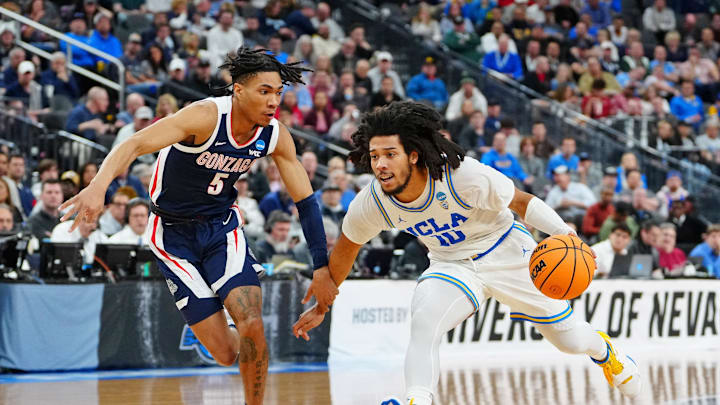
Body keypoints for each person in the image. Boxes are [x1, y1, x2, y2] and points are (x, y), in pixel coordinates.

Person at [291, 102, 641, 405]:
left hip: (506, 250)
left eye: (390, 155)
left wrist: (564, 233)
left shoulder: (462, 175)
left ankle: (604, 351)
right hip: (452, 263)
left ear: (413, 154)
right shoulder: (373, 202)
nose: (380, 165)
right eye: (375, 156)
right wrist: (323, 303)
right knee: (425, 321)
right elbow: (347, 248)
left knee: (569, 340)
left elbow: (522, 202)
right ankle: (417, 399)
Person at [60, 47, 337, 405]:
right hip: (172, 234)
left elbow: (306, 202)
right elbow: (134, 143)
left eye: (279, 93)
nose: (273, 101)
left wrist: (320, 265)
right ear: (238, 90)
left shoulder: (274, 135)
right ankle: (238, 337)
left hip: (222, 228)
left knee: (252, 320)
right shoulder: (204, 116)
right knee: (226, 353)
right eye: (264, 91)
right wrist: (98, 186)